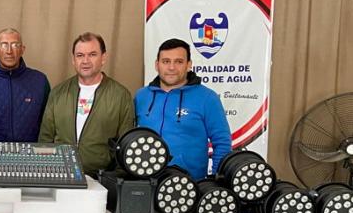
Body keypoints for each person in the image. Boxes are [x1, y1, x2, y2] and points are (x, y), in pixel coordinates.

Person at [38, 32, 134, 179]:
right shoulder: (58, 93)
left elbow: (126, 145)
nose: (85, 61)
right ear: (73, 60)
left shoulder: (120, 96)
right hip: (61, 177)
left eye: (92, 54)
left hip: (101, 180)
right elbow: (46, 139)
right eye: (80, 55)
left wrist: (114, 181)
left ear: (103, 58)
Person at [135, 38, 232, 179]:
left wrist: (216, 179)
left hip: (189, 186)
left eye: (179, 62)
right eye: (166, 61)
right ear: (157, 65)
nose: (171, 67)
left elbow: (222, 142)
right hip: (145, 182)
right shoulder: (141, 96)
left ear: (189, 65)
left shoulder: (207, 98)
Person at [0, 28, 50, 143]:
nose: (9, 51)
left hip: (30, 157)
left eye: (15, 45)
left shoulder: (40, 81)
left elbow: (48, 125)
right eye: (4, 45)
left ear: (22, 49)